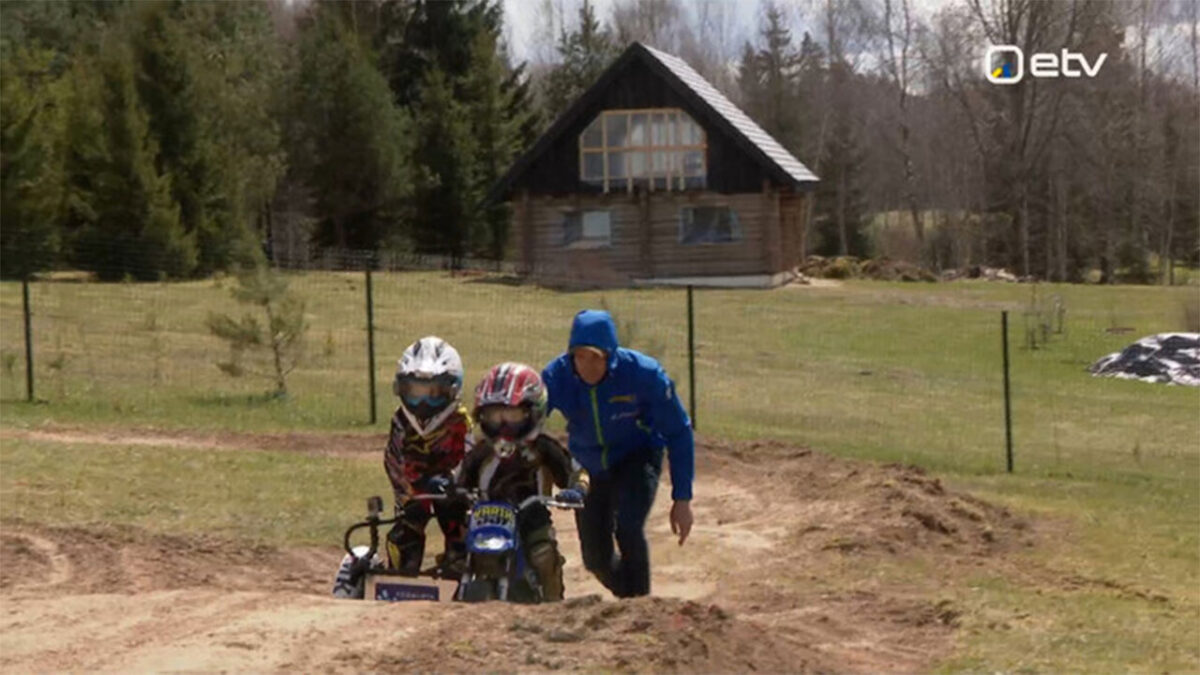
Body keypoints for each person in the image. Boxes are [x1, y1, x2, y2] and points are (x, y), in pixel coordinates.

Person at [541, 309, 694, 598]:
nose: (587, 366)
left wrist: (682, 498)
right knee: (595, 559)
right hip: (588, 465)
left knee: (628, 527)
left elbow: (679, 431)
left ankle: (641, 609)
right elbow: (529, 423)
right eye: (580, 356)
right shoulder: (556, 377)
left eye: (595, 357)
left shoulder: (644, 375)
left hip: (637, 455)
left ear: (610, 355)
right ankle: (631, 604)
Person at [458, 362, 589, 601]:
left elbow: (576, 472)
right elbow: (460, 478)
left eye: (511, 415)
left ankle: (553, 604)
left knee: (542, 552)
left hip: (531, 513)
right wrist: (445, 487)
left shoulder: (543, 448)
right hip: (485, 516)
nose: (503, 425)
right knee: (456, 553)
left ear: (533, 412)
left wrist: (577, 489)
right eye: (494, 416)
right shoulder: (481, 452)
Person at [383, 336, 473, 576]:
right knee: (404, 535)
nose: (422, 403)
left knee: (458, 532)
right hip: (414, 491)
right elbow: (393, 460)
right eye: (415, 393)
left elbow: (471, 459)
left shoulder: (460, 423)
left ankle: (456, 568)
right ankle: (399, 577)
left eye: (432, 393)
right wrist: (409, 491)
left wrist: (455, 481)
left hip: (453, 495)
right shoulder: (401, 422)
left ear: (452, 390)